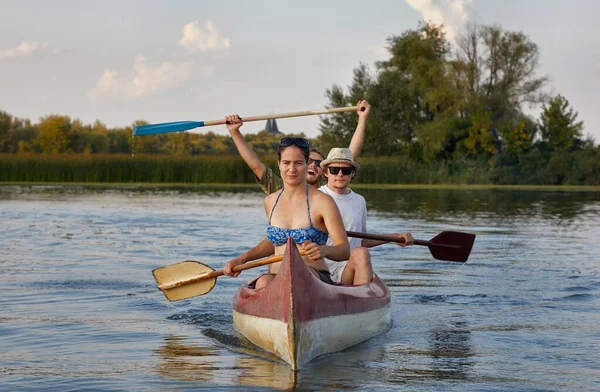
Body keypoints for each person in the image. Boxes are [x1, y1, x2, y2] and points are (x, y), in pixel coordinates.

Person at [223, 137, 350, 289]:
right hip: (277, 277)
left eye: (298, 163)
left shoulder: (324, 202)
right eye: (286, 163)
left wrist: (324, 250)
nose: (292, 169)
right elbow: (274, 241)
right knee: (263, 282)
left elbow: (344, 250)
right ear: (279, 164)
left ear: (306, 164)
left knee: (297, 279)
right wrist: (243, 259)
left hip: (313, 277)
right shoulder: (270, 201)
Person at [225, 100, 371, 194]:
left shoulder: (328, 194)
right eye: (310, 161)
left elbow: (350, 156)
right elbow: (255, 165)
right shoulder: (282, 189)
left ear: (326, 172)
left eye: (318, 163)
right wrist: (234, 132)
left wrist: (362, 118)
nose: (313, 166)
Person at [318, 147, 414, 285]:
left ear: (352, 174)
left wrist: (394, 237)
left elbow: (361, 241)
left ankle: (363, 297)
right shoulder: (315, 196)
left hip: (347, 268)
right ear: (326, 172)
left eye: (346, 171)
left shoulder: (359, 201)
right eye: (334, 170)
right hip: (318, 267)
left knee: (361, 252)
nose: (340, 174)